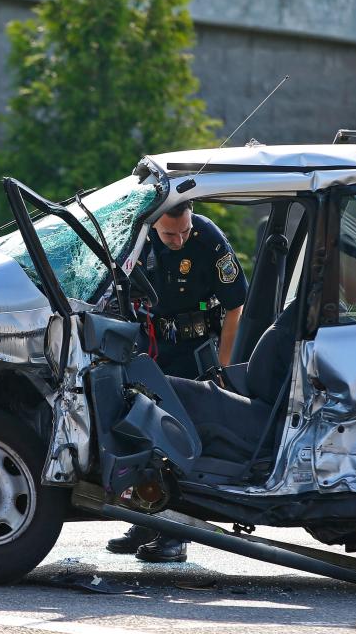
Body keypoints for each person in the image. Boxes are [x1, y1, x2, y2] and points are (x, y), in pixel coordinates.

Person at [106, 200, 248, 563]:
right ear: (155, 226)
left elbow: (237, 306)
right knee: (140, 434)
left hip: (194, 350)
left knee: (179, 440)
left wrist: (226, 366)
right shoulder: (138, 239)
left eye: (184, 230)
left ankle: (175, 534)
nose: (179, 239)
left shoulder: (208, 240)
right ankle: (144, 518)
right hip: (150, 346)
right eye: (171, 233)